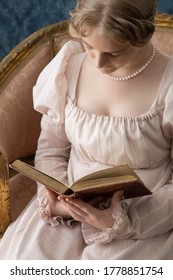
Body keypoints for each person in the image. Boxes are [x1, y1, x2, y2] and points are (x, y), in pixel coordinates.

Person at [0, 0, 173, 260]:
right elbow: (51, 151)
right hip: (68, 212)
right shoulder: (69, 67)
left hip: (147, 218)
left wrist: (124, 221)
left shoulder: (168, 82)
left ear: (144, 33)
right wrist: (58, 202)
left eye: (114, 53)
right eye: (89, 46)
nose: (98, 62)